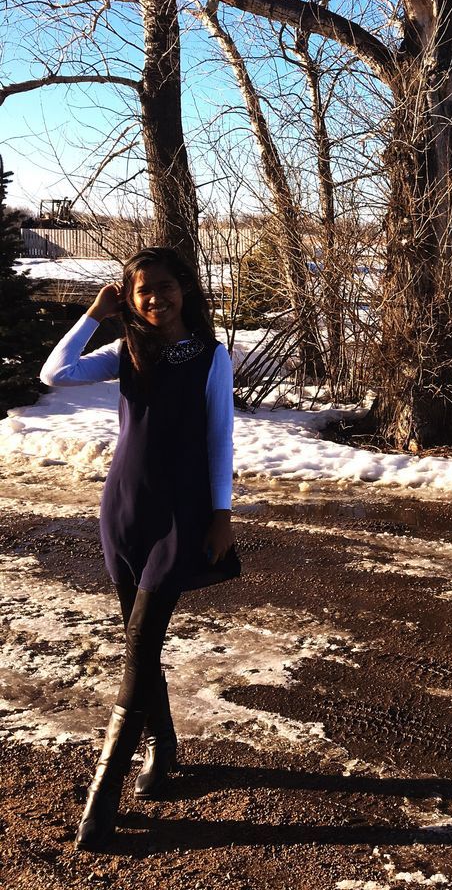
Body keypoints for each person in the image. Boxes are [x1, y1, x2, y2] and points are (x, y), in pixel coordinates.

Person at [40, 245, 237, 850]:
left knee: (140, 644)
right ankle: (164, 744)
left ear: (186, 287)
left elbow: (220, 437)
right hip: (123, 509)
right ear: (131, 296)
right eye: (142, 290)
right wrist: (95, 315)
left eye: (165, 286)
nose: (156, 298)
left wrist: (221, 513)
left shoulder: (211, 355)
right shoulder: (126, 351)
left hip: (179, 516)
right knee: (136, 639)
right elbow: (54, 374)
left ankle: (104, 794)